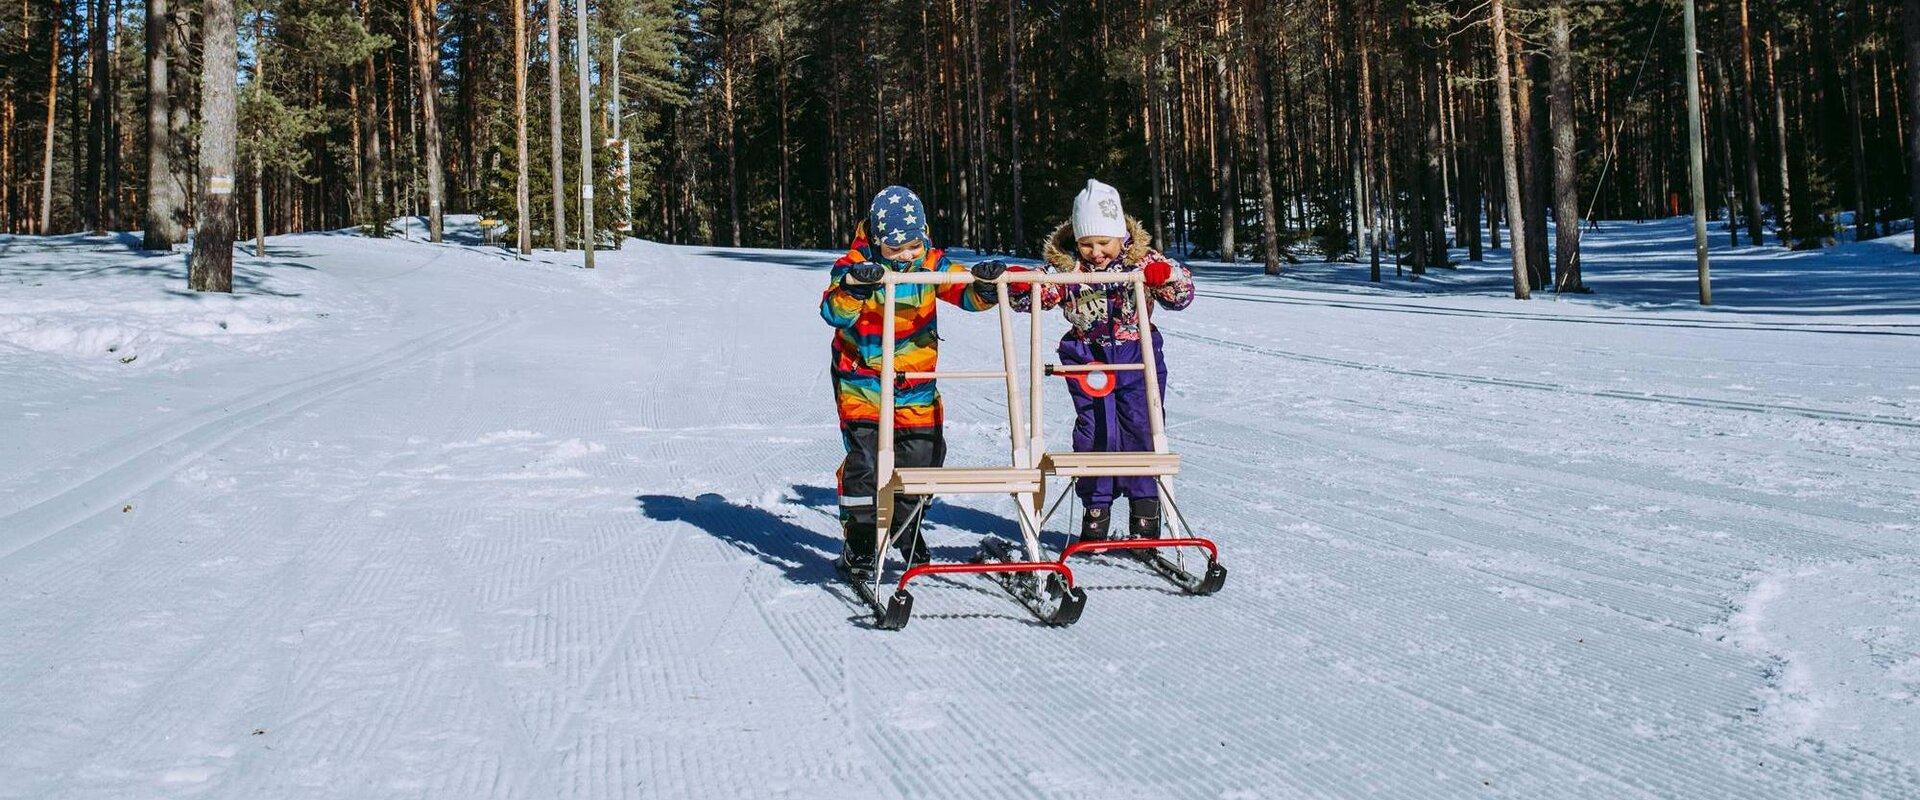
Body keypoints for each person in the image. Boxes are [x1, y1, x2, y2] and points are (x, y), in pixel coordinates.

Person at [820, 186, 1005, 577]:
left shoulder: (931, 262)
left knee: (924, 455)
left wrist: (983, 286)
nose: (905, 256)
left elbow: (961, 289)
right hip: (863, 380)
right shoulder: (855, 263)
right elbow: (834, 310)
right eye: (894, 249)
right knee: (866, 460)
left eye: (913, 246)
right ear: (876, 240)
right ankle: (862, 539)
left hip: (916, 381)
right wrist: (856, 285)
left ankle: (906, 527)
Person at [1016, 179, 1194, 543]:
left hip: (1137, 354)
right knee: (1098, 429)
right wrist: (1025, 285)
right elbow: (1037, 296)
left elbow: (1182, 294)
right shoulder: (1068, 268)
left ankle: (1145, 508)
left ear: (1120, 236)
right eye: (1086, 243)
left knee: (1142, 427)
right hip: (1087, 357)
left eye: (1103, 243)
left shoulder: (1141, 260)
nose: (1095, 252)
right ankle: (1096, 507)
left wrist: (1164, 279)